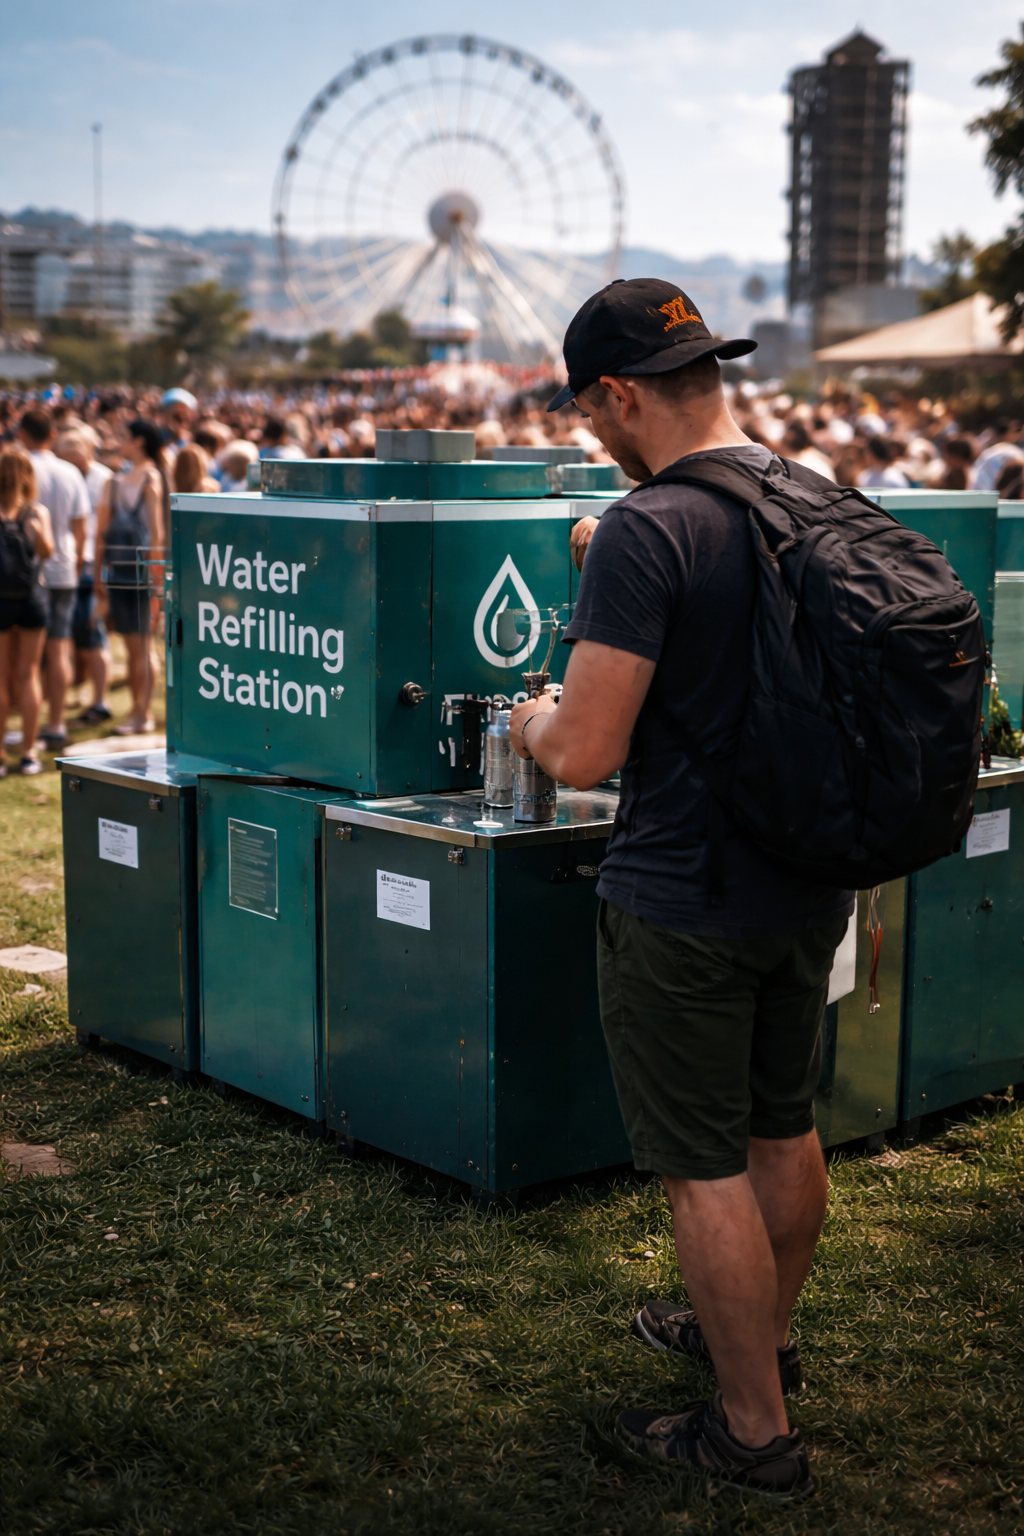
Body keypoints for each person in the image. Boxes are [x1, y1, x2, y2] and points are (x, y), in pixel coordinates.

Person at [511, 280, 854, 1500]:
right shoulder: (808, 493)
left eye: (589, 413)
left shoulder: (648, 529)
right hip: (807, 878)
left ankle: (750, 1433)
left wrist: (532, 714)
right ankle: (757, 1336)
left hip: (685, 898)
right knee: (782, 1124)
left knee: (702, 1165)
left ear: (616, 394)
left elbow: (589, 750)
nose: (591, 436)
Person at [18, 406, 90, 748]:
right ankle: (56, 723)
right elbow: (80, 527)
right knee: (59, 649)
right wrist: (76, 564)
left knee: (24, 658)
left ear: (21, 434)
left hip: (26, 572)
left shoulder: (18, 468)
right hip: (63, 568)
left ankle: (26, 726)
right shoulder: (70, 472)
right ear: (52, 435)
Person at [95, 418, 166, 735]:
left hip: (128, 573)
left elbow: (156, 534)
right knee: (138, 647)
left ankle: (143, 713)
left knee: (140, 647)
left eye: (123, 436)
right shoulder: (137, 478)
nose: (118, 442)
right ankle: (140, 712)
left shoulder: (128, 479)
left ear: (138, 441)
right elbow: (156, 534)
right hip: (133, 572)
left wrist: (99, 571)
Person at [0, 447, 55, 775]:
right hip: (32, 598)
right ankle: (29, 752)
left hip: (1, 600)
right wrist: (32, 527)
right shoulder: (36, 511)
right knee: (29, 674)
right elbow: (46, 552)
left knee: (1, 678)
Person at [54, 427, 113, 723]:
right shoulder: (66, 476)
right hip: (71, 564)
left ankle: (101, 700)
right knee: (70, 636)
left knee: (94, 632)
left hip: (93, 567)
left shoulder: (104, 479)